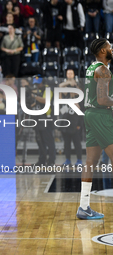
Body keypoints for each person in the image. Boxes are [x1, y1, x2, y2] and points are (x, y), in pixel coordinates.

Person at [76, 38, 113, 220]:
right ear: (102, 51)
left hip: (90, 115)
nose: (111, 48)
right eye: (109, 46)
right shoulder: (103, 70)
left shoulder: (92, 67)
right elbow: (103, 100)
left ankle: (83, 207)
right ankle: (83, 207)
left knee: (90, 161)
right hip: (101, 115)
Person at [59, 69, 83, 166]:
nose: (69, 74)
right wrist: (68, 84)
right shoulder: (64, 85)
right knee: (67, 142)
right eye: (68, 73)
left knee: (77, 142)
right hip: (66, 117)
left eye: (71, 73)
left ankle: (79, 160)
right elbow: (60, 88)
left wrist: (74, 85)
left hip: (76, 118)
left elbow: (79, 93)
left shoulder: (78, 84)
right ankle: (68, 159)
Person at [31, 75, 56, 166]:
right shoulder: (38, 91)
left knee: (48, 140)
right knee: (39, 140)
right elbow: (34, 104)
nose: (37, 85)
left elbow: (45, 101)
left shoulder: (48, 89)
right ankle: (42, 160)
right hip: (38, 118)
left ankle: (51, 160)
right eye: (36, 84)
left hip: (47, 118)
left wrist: (34, 96)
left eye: (39, 83)